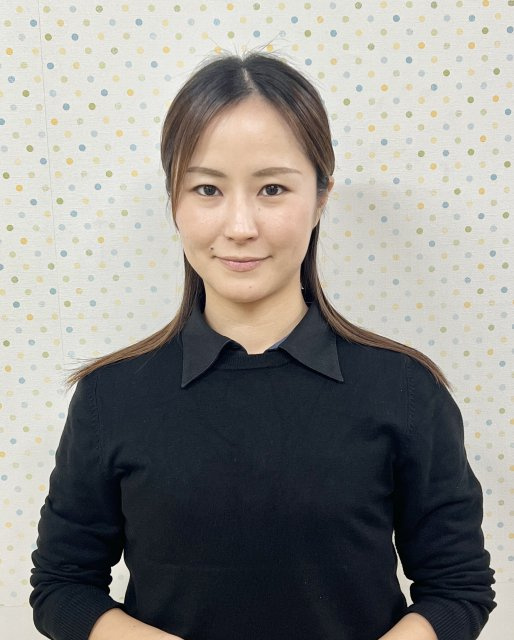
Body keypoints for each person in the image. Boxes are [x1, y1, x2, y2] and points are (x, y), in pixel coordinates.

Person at [30, 50, 496, 640]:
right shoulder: (110, 396)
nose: (240, 226)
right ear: (174, 202)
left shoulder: (404, 389)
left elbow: (457, 589)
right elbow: (62, 586)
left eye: (272, 188)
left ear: (321, 197)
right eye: (207, 189)